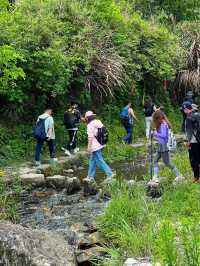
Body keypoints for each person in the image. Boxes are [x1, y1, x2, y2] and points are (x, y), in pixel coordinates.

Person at [151, 110, 184, 183]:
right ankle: (155, 176)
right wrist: (155, 135)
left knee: (167, 163)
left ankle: (179, 175)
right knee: (155, 160)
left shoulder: (163, 124)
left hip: (164, 146)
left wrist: (155, 133)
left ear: (158, 118)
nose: (154, 121)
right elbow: (161, 136)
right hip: (160, 146)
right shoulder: (162, 123)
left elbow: (164, 135)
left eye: (155, 119)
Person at [84, 111, 114, 181]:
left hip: (95, 146)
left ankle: (110, 174)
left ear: (88, 118)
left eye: (86, 118)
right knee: (92, 160)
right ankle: (90, 176)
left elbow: (90, 137)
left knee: (100, 160)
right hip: (101, 143)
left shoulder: (90, 125)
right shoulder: (98, 121)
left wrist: (89, 147)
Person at [183, 101, 200, 182]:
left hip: (193, 143)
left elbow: (189, 132)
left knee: (193, 160)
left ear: (186, 109)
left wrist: (187, 142)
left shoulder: (188, 118)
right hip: (199, 141)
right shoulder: (198, 115)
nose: (183, 111)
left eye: (184, 109)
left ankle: (196, 177)